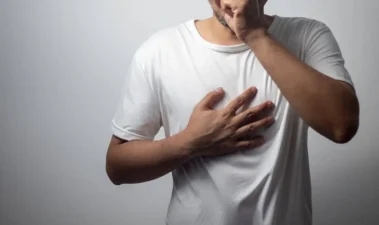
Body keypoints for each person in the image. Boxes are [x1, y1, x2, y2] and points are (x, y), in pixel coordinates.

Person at [106, 0, 360, 224]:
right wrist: (189, 143)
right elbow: (118, 166)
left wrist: (254, 35)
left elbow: (341, 125)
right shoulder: (159, 50)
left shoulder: (307, 36)